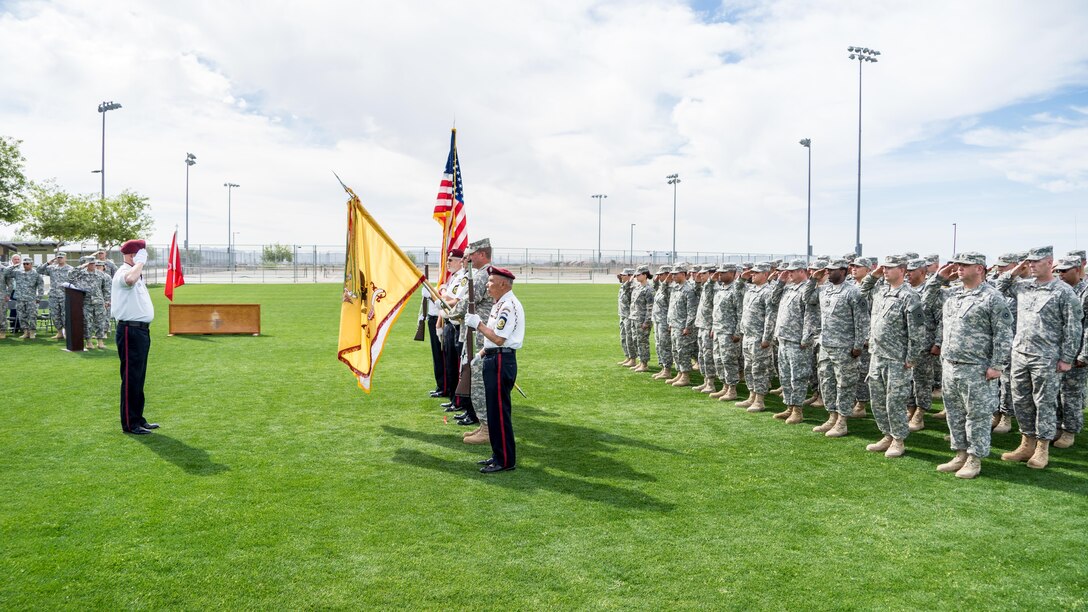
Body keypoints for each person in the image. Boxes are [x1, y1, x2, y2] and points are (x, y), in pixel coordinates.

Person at [923, 253, 1013, 478]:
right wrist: (939, 278)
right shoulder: (952, 294)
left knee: (978, 415)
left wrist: (998, 366)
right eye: (958, 265)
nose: (959, 268)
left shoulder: (992, 297)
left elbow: (1003, 334)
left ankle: (975, 458)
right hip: (951, 365)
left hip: (977, 367)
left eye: (965, 265)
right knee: (954, 414)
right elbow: (924, 301)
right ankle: (960, 453)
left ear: (980, 269)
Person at [996, 246, 1083, 469]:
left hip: (1047, 357)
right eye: (1029, 262)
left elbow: (1073, 328)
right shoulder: (1024, 287)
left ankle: (1042, 448)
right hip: (1020, 354)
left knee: (1044, 402)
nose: (1032, 265)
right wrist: (1017, 269)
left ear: (1049, 262)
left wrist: (1066, 358)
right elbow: (1000, 285)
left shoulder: (1063, 291)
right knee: (1021, 400)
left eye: (1036, 261)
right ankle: (1026, 443)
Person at [859, 256, 926, 458]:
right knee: (878, 401)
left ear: (903, 270)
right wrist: (875, 273)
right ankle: (887, 434)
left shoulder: (909, 296)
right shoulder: (881, 292)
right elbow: (862, 290)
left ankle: (898, 439)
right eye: (884, 267)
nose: (885, 270)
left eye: (890, 268)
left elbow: (917, 331)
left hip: (897, 359)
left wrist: (912, 358)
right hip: (877, 356)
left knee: (895, 402)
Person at [464, 265, 525, 474]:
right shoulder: (500, 304)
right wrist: (480, 355)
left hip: (501, 362)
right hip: (493, 359)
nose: (487, 286)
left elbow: (499, 338)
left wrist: (478, 325)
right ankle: (498, 455)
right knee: (494, 411)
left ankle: (505, 460)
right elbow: (493, 341)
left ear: (502, 284)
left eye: (491, 282)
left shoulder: (508, 306)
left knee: (499, 413)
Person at [812, 259, 869, 438]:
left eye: (832, 270)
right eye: (827, 269)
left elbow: (862, 320)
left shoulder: (853, 292)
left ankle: (842, 421)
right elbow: (807, 298)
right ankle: (832, 416)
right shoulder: (824, 290)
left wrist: (858, 345)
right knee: (827, 382)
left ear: (843, 271)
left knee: (845, 384)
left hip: (844, 347)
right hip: (826, 345)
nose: (828, 272)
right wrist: (813, 280)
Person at [451, 239, 496, 444]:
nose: (468, 257)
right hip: (480, 335)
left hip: (480, 338)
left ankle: (487, 430)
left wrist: (448, 312)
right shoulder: (486, 274)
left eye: (472, 253)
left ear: (482, 254)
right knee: (478, 383)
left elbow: (465, 304)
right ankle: (483, 427)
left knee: (478, 385)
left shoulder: (481, 276)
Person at [112, 239, 158, 434]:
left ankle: (138, 419)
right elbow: (129, 281)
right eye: (140, 254)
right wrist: (139, 263)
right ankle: (130, 424)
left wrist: (138, 264)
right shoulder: (124, 272)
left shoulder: (134, 273)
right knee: (131, 378)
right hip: (130, 331)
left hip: (140, 331)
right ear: (133, 255)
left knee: (138, 378)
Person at [771, 259, 819, 424]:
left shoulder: (808, 289)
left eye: (792, 271)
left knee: (798, 377)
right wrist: (780, 281)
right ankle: (789, 407)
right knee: (785, 376)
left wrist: (806, 338)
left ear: (802, 271)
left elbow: (811, 316)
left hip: (797, 340)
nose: (789, 273)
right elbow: (773, 300)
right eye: (788, 271)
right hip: (784, 338)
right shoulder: (788, 288)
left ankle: (798, 411)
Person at [905, 257, 942, 432]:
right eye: (907, 270)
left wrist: (938, 342)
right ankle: (910, 408)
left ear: (922, 272)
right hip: (906, 343)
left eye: (912, 271)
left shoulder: (933, 291)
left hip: (925, 344)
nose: (908, 274)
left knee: (922, 380)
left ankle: (920, 412)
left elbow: (942, 319)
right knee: (907, 379)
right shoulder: (904, 290)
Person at [1055, 256, 1088, 449]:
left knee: (1071, 394)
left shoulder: (1085, 291)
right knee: (1056, 392)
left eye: (1064, 271)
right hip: (1057, 350)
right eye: (1059, 271)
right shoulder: (1060, 289)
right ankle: (1058, 426)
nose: (1061, 274)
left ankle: (1069, 431)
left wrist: (1084, 354)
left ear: (1077, 269)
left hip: (1076, 353)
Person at [736, 262, 778, 411]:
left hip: (759, 338)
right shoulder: (751, 290)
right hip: (748, 336)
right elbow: (737, 288)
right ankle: (751, 396)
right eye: (752, 273)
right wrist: (742, 277)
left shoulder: (769, 291)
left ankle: (759, 400)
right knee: (748, 368)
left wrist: (767, 338)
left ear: (765, 274)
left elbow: (770, 317)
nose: (752, 275)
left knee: (759, 369)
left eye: (756, 273)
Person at [710, 264, 743, 401]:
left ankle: (732, 389)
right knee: (718, 360)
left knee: (729, 361)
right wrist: (713, 327)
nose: (720, 275)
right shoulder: (720, 289)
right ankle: (724, 386)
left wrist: (737, 332)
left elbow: (740, 312)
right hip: (718, 330)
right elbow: (716, 311)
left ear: (732, 273)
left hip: (729, 332)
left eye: (723, 273)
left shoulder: (736, 289)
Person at [665, 264, 697, 387]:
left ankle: (685, 376)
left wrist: (687, 327)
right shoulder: (675, 288)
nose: (673, 276)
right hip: (674, 325)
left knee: (683, 352)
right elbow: (672, 307)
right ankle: (679, 373)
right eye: (672, 274)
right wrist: (670, 323)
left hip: (683, 326)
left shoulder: (688, 290)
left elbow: (691, 311)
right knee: (676, 351)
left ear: (683, 274)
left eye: (675, 274)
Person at [693, 264, 719, 393]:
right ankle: (705, 381)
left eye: (704, 273)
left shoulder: (716, 288)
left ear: (711, 274)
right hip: (702, 325)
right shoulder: (706, 287)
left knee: (708, 356)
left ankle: (711, 383)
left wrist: (713, 326)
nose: (700, 275)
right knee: (702, 355)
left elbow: (717, 310)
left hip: (709, 326)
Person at [3, 257, 44, 339]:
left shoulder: (36, 273)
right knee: (21, 316)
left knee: (32, 316)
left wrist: (39, 297)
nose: (25, 265)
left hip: (31, 299)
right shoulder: (18, 272)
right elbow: (6, 272)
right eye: (24, 264)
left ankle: (32, 332)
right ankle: (26, 332)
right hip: (20, 298)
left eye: (27, 264)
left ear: (31, 264)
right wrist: (15, 265)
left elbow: (41, 286)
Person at [36, 252, 75, 339]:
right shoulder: (52, 268)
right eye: (58, 257)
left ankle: (67, 333)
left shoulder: (70, 269)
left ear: (65, 258)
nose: (60, 259)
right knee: (55, 314)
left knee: (66, 315)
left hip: (65, 295)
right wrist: (48, 263)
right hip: (53, 295)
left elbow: (75, 281)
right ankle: (59, 333)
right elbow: (38, 270)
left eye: (62, 257)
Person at [627, 265, 654, 372]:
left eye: (638, 275)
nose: (636, 277)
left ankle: (644, 363)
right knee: (636, 341)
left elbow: (650, 307)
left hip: (642, 320)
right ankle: (640, 361)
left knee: (643, 342)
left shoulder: (649, 289)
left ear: (645, 275)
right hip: (634, 318)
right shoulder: (637, 287)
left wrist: (647, 321)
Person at [650, 265, 674, 380]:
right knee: (659, 344)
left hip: (665, 321)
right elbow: (656, 288)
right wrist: (656, 281)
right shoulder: (662, 286)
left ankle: (667, 369)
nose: (658, 276)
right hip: (658, 320)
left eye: (661, 274)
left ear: (668, 275)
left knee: (665, 345)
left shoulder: (670, 288)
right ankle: (663, 367)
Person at [616, 269, 635, 366]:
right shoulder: (624, 286)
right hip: (622, 315)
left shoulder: (632, 287)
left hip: (629, 316)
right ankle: (628, 356)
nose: (621, 276)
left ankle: (633, 359)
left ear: (630, 276)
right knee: (623, 337)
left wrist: (630, 280)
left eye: (623, 275)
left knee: (629, 338)